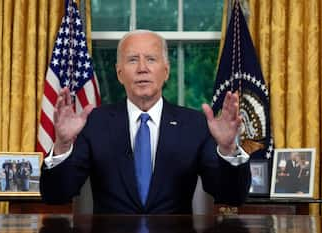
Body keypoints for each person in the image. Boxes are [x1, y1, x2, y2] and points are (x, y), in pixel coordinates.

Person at [40, 30, 251, 214]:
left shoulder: (195, 125)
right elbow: (56, 195)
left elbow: (231, 197)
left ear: (166, 71)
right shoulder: (95, 123)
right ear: (119, 73)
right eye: (132, 60)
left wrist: (228, 148)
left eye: (151, 59)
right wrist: (62, 146)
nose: (142, 68)